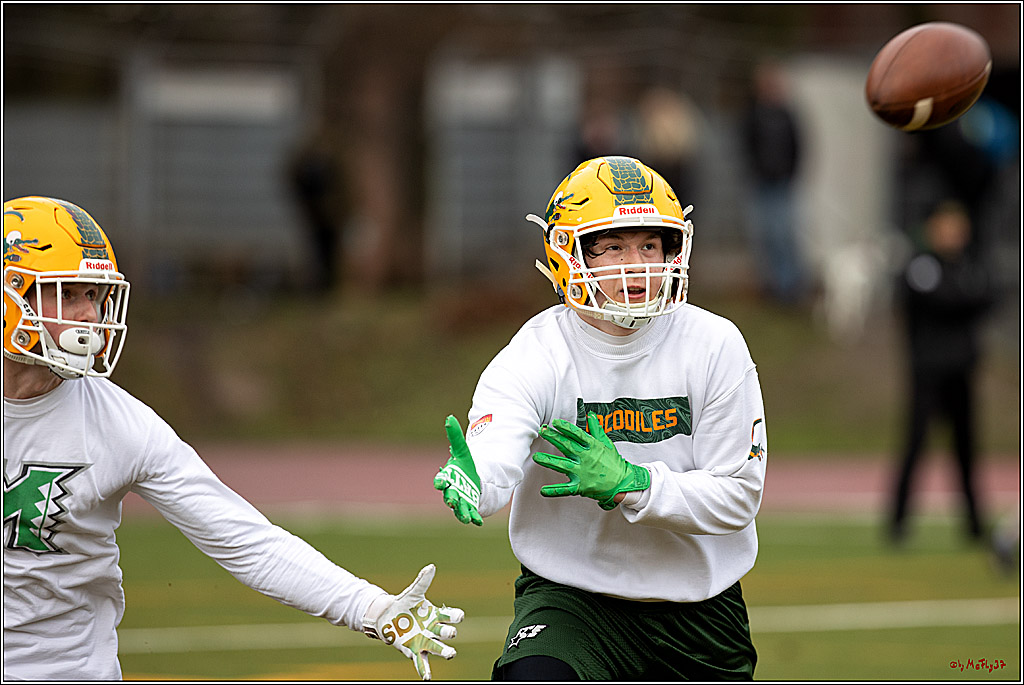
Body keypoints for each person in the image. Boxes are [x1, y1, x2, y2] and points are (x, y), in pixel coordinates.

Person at [3, 196, 462, 681]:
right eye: (67, 294)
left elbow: (248, 543)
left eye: (94, 296)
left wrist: (374, 609)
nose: (90, 318)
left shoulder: (122, 427)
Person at [433, 157, 767, 680]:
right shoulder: (537, 352)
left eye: (649, 246)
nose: (637, 265)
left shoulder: (715, 344)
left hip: (700, 611)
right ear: (567, 254)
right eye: (613, 247)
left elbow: (739, 497)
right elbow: (498, 448)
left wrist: (635, 485)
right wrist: (478, 479)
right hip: (573, 600)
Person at [889, 199, 997, 545]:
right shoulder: (921, 265)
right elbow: (945, 300)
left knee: (966, 447)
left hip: (961, 369)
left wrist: (962, 299)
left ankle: (974, 525)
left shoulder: (969, 264)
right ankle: (898, 522)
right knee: (916, 444)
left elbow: (987, 296)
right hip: (928, 370)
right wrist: (963, 299)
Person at [740, 58, 807, 304]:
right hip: (760, 183)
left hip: (782, 184)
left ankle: (791, 286)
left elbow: (798, 146)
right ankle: (771, 285)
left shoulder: (787, 114)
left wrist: (791, 174)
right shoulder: (753, 114)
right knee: (764, 235)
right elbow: (746, 145)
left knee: (784, 234)